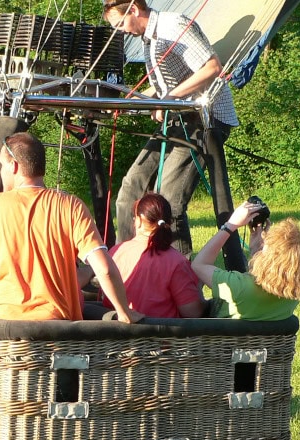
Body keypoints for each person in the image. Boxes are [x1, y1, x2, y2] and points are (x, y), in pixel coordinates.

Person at [0, 132, 143, 323]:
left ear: (14, 166)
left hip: (4, 330)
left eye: (2, 165)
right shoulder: (71, 206)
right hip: (57, 331)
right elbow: (104, 269)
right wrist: (123, 312)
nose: (1, 172)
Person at [103, 0, 244, 269]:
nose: (120, 31)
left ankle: (180, 278)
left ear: (134, 9)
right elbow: (168, 85)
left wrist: (169, 98)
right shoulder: (149, 38)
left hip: (204, 120)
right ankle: (125, 267)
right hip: (178, 118)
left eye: (120, 24)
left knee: (169, 201)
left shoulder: (173, 26)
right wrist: (127, 103)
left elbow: (213, 67)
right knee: (129, 189)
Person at [191, 200, 300, 320]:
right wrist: (256, 252)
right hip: (267, 344)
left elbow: (199, 264)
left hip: (223, 343)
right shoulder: (293, 295)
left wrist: (230, 225)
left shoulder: (238, 287)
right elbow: (266, 283)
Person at [103, 192, 205, 318]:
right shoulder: (176, 261)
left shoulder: (115, 252)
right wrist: (198, 286)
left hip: (117, 333)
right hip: (162, 335)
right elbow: (193, 312)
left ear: (139, 220)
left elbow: (106, 301)